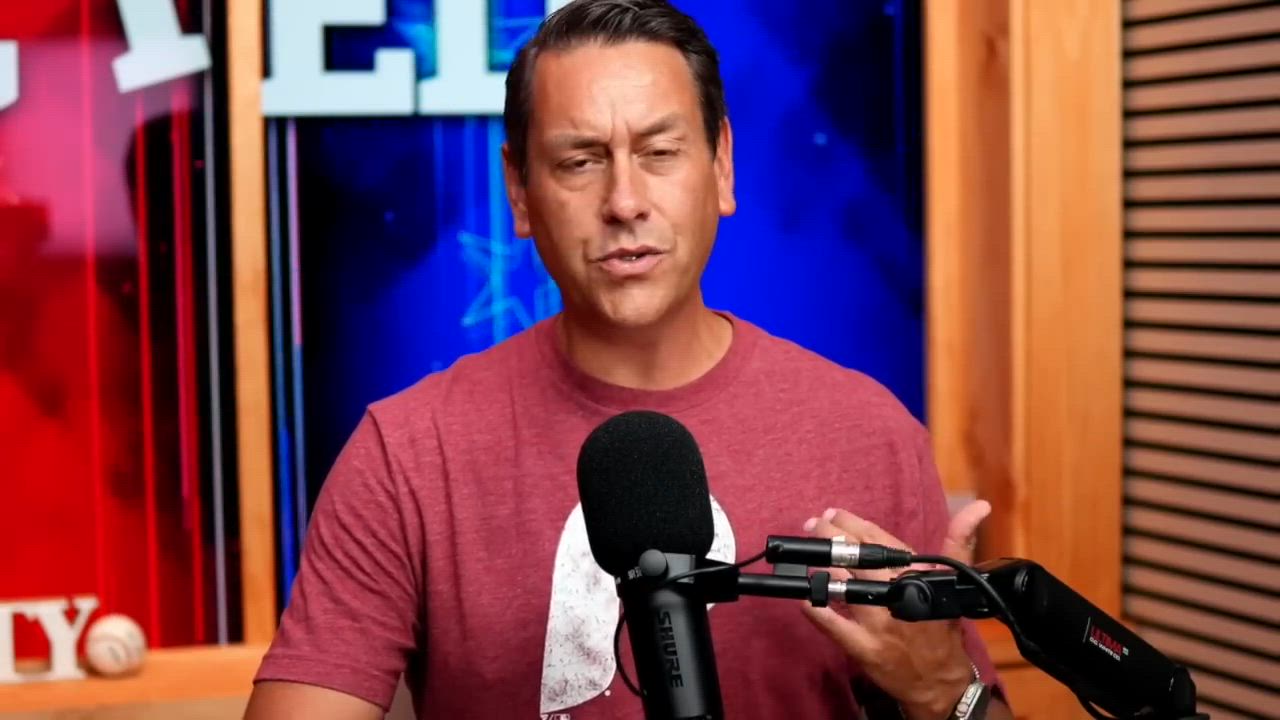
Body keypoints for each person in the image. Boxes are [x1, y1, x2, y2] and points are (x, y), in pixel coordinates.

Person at [246, 1, 1013, 718]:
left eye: (660, 152)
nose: (624, 201)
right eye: (580, 161)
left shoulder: (868, 433)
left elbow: (966, 700)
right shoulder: (409, 454)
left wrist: (946, 688)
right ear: (520, 192)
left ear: (721, 165)